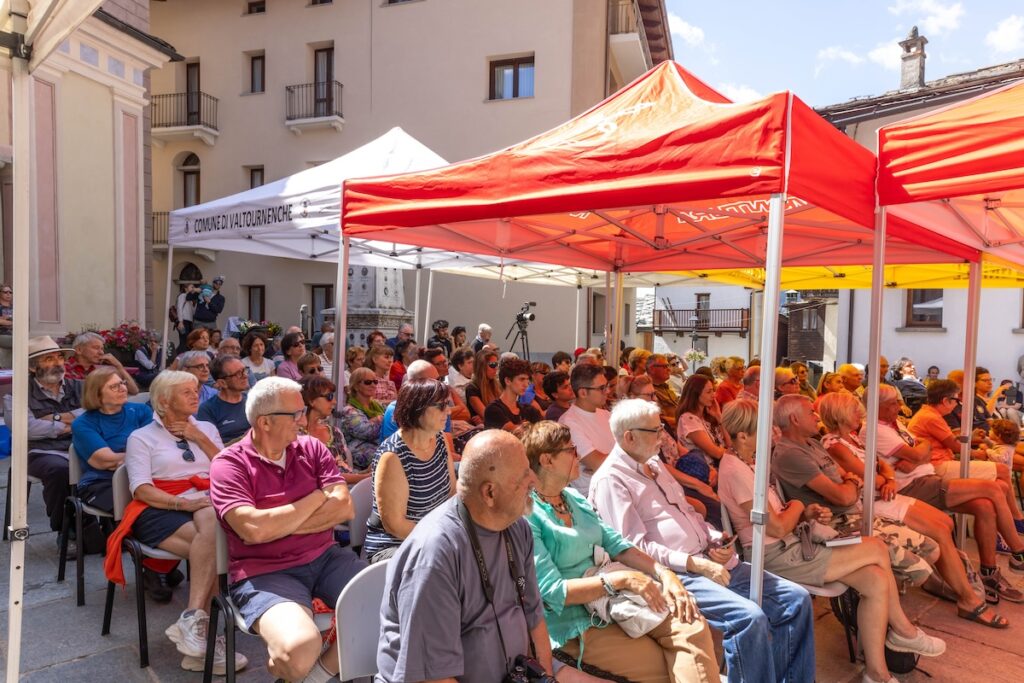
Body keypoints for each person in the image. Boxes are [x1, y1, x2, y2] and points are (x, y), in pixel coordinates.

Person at [716, 399, 952, 681]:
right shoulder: (734, 469)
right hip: (774, 554)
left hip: (792, 544)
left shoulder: (750, 463)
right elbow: (777, 527)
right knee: (876, 547)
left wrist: (804, 513)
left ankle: (877, 673)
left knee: (876, 578)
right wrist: (800, 508)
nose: (772, 434)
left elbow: (776, 517)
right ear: (743, 436)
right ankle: (904, 631)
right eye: (763, 429)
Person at [589, 398, 818, 683]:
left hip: (705, 559)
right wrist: (693, 562)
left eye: (662, 428)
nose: (663, 437)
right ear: (629, 436)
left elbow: (688, 514)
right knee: (748, 618)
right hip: (672, 574)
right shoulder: (611, 480)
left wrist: (714, 539)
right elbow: (632, 549)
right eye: (656, 431)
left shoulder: (654, 465)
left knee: (795, 599)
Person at [521, 420, 718, 682]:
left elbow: (618, 544)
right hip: (578, 625)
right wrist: (621, 580)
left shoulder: (574, 499)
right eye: (571, 450)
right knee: (668, 665)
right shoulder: (529, 516)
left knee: (691, 625)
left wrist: (664, 573)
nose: (578, 456)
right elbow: (554, 593)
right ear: (546, 460)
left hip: (616, 604)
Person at [210, 377, 364, 682]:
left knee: (395, 608)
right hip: (263, 573)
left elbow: (344, 507)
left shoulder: (312, 448)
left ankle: (316, 676)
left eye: (303, 411)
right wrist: (318, 496)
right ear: (265, 422)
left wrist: (277, 525)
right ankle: (299, 669)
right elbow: (254, 530)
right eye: (295, 414)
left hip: (327, 558)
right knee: (298, 650)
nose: (304, 420)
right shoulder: (229, 464)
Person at [377, 430, 562, 683]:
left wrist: (545, 677)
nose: (533, 480)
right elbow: (432, 678)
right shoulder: (435, 555)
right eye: (523, 475)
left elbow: (534, 616)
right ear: (489, 493)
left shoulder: (516, 528)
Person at [818, 391, 1004, 627]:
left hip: (884, 494)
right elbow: (869, 475)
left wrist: (889, 479)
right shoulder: (833, 444)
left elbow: (883, 467)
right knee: (938, 531)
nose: (860, 413)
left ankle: (946, 581)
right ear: (840, 414)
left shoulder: (854, 438)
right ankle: (967, 599)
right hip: (866, 504)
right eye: (855, 410)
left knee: (945, 524)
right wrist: (884, 478)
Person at [105, 370, 246, 674]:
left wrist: (200, 438)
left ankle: (195, 628)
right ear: (164, 402)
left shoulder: (206, 427)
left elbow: (231, 470)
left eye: (196, 390)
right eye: (186, 392)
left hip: (206, 504)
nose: (196, 395)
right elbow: (141, 489)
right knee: (216, 540)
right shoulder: (141, 438)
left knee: (211, 523)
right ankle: (204, 636)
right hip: (159, 508)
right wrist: (184, 502)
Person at [874, 383, 1024, 602]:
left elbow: (923, 450)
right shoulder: (880, 428)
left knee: (986, 504)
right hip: (916, 485)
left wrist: (921, 451)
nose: (900, 406)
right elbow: (926, 453)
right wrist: (919, 453)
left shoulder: (897, 423)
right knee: (996, 483)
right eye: (894, 402)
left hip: (928, 476)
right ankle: (1018, 550)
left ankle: (989, 573)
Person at [908, 380, 1024, 529]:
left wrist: (976, 440)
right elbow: (956, 446)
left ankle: (1001, 530)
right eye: (956, 399)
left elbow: (953, 440)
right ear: (945, 400)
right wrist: (980, 453)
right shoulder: (931, 417)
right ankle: (1015, 518)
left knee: (1001, 484)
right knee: (1002, 470)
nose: (958, 403)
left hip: (942, 462)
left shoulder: (930, 414)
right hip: (937, 466)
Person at [363, 378, 455, 563]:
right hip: (393, 546)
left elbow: (451, 493)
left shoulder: (439, 439)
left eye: (448, 404)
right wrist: (441, 540)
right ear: (418, 408)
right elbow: (395, 525)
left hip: (433, 537)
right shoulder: (393, 456)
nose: (449, 411)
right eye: (441, 405)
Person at [11, 337, 87, 539]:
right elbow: (25, 428)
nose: (57, 362)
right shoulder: (17, 393)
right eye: (48, 359)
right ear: (33, 368)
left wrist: (53, 419)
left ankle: (104, 525)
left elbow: (96, 412)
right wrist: (71, 424)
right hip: (41, 452)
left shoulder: (81, 386)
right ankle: (66, 531)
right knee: (59, 470)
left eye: (59, 357)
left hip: (80, 447)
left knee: (112, 462)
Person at [626, 375, 721, 529]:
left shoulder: (658, 421)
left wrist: (708, 469)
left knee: (722, 492)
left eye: (654, 394)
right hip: (667, 479)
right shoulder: (638, 429)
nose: (655, 399)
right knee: (713, 506)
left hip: (680, 473)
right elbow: (659, 465)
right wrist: (698, 485)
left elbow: (680, 450)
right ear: (633, 398)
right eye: (649, 395)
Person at [299, 375, 368, 486]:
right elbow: (322, 476)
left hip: (346, 490)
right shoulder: (296, 437)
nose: (334, 401)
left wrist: (366, 472)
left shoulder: (334, 432)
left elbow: (344, 469)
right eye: (329, 397)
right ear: (311, 400)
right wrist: (364, 477)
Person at [557, 363, 614, 496]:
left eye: (607, 386)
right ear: (583, 392)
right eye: (602, 388)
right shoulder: (569, 423)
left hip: (616, 485)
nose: (608, 391)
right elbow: (598, 463)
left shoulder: (606, 414)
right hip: (594, 494)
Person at [674, 374, 728, 486]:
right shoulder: (688, 419)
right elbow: (716, 453)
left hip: (723, 467)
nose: (713, 396)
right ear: (695, 394)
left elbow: (730, 443)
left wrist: (719, 416)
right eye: (708, 392)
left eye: (713, 391)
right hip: (707, 473)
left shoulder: (708, 416)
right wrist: (734, 452)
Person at [338, 366, 385, 472]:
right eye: (368, 382)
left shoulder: (378, 405)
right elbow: (366, 431)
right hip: (359, 451)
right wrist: (382, 419)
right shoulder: (349, 410)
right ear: (356, 386)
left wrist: (376, 420)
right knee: (390, 457)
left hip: (379, 445)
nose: (373, 385)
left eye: (375, 381)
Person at [64, 331, 140, 395]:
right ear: (79, 350)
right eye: (96, 348)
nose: (101, 352)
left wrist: (118, 366)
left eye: (102, 349)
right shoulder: (64, 369)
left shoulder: (99, 372)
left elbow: (134, 391)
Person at [197, 354, 250, 443]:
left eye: (245, 370)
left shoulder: (254, 402)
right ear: (222, 383)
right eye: (238, 374)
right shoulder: (208, 409)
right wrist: (249, 438)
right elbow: (209, 447)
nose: (245, 376)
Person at [485, 357, 542, 431]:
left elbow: (542, 433)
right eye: (521, 379)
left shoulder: (529, 410)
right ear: (508, 381)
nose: (526, 384)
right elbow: (515, 432)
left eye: (527, 380)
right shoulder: (493, 410)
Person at [466, 349, 501, 423]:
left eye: (497, 364)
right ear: (481, 366)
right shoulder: (472, 389)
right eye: (492, 365)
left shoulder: (496, 385)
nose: (496, 368)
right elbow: (487, 415)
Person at [646, 353, 679, 431]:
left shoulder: (665, 387)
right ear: (652, 369)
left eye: (668, 366)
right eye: (664, 366)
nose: (669, 369)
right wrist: (683, 422)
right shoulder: (648, 391)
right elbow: (660, 420)